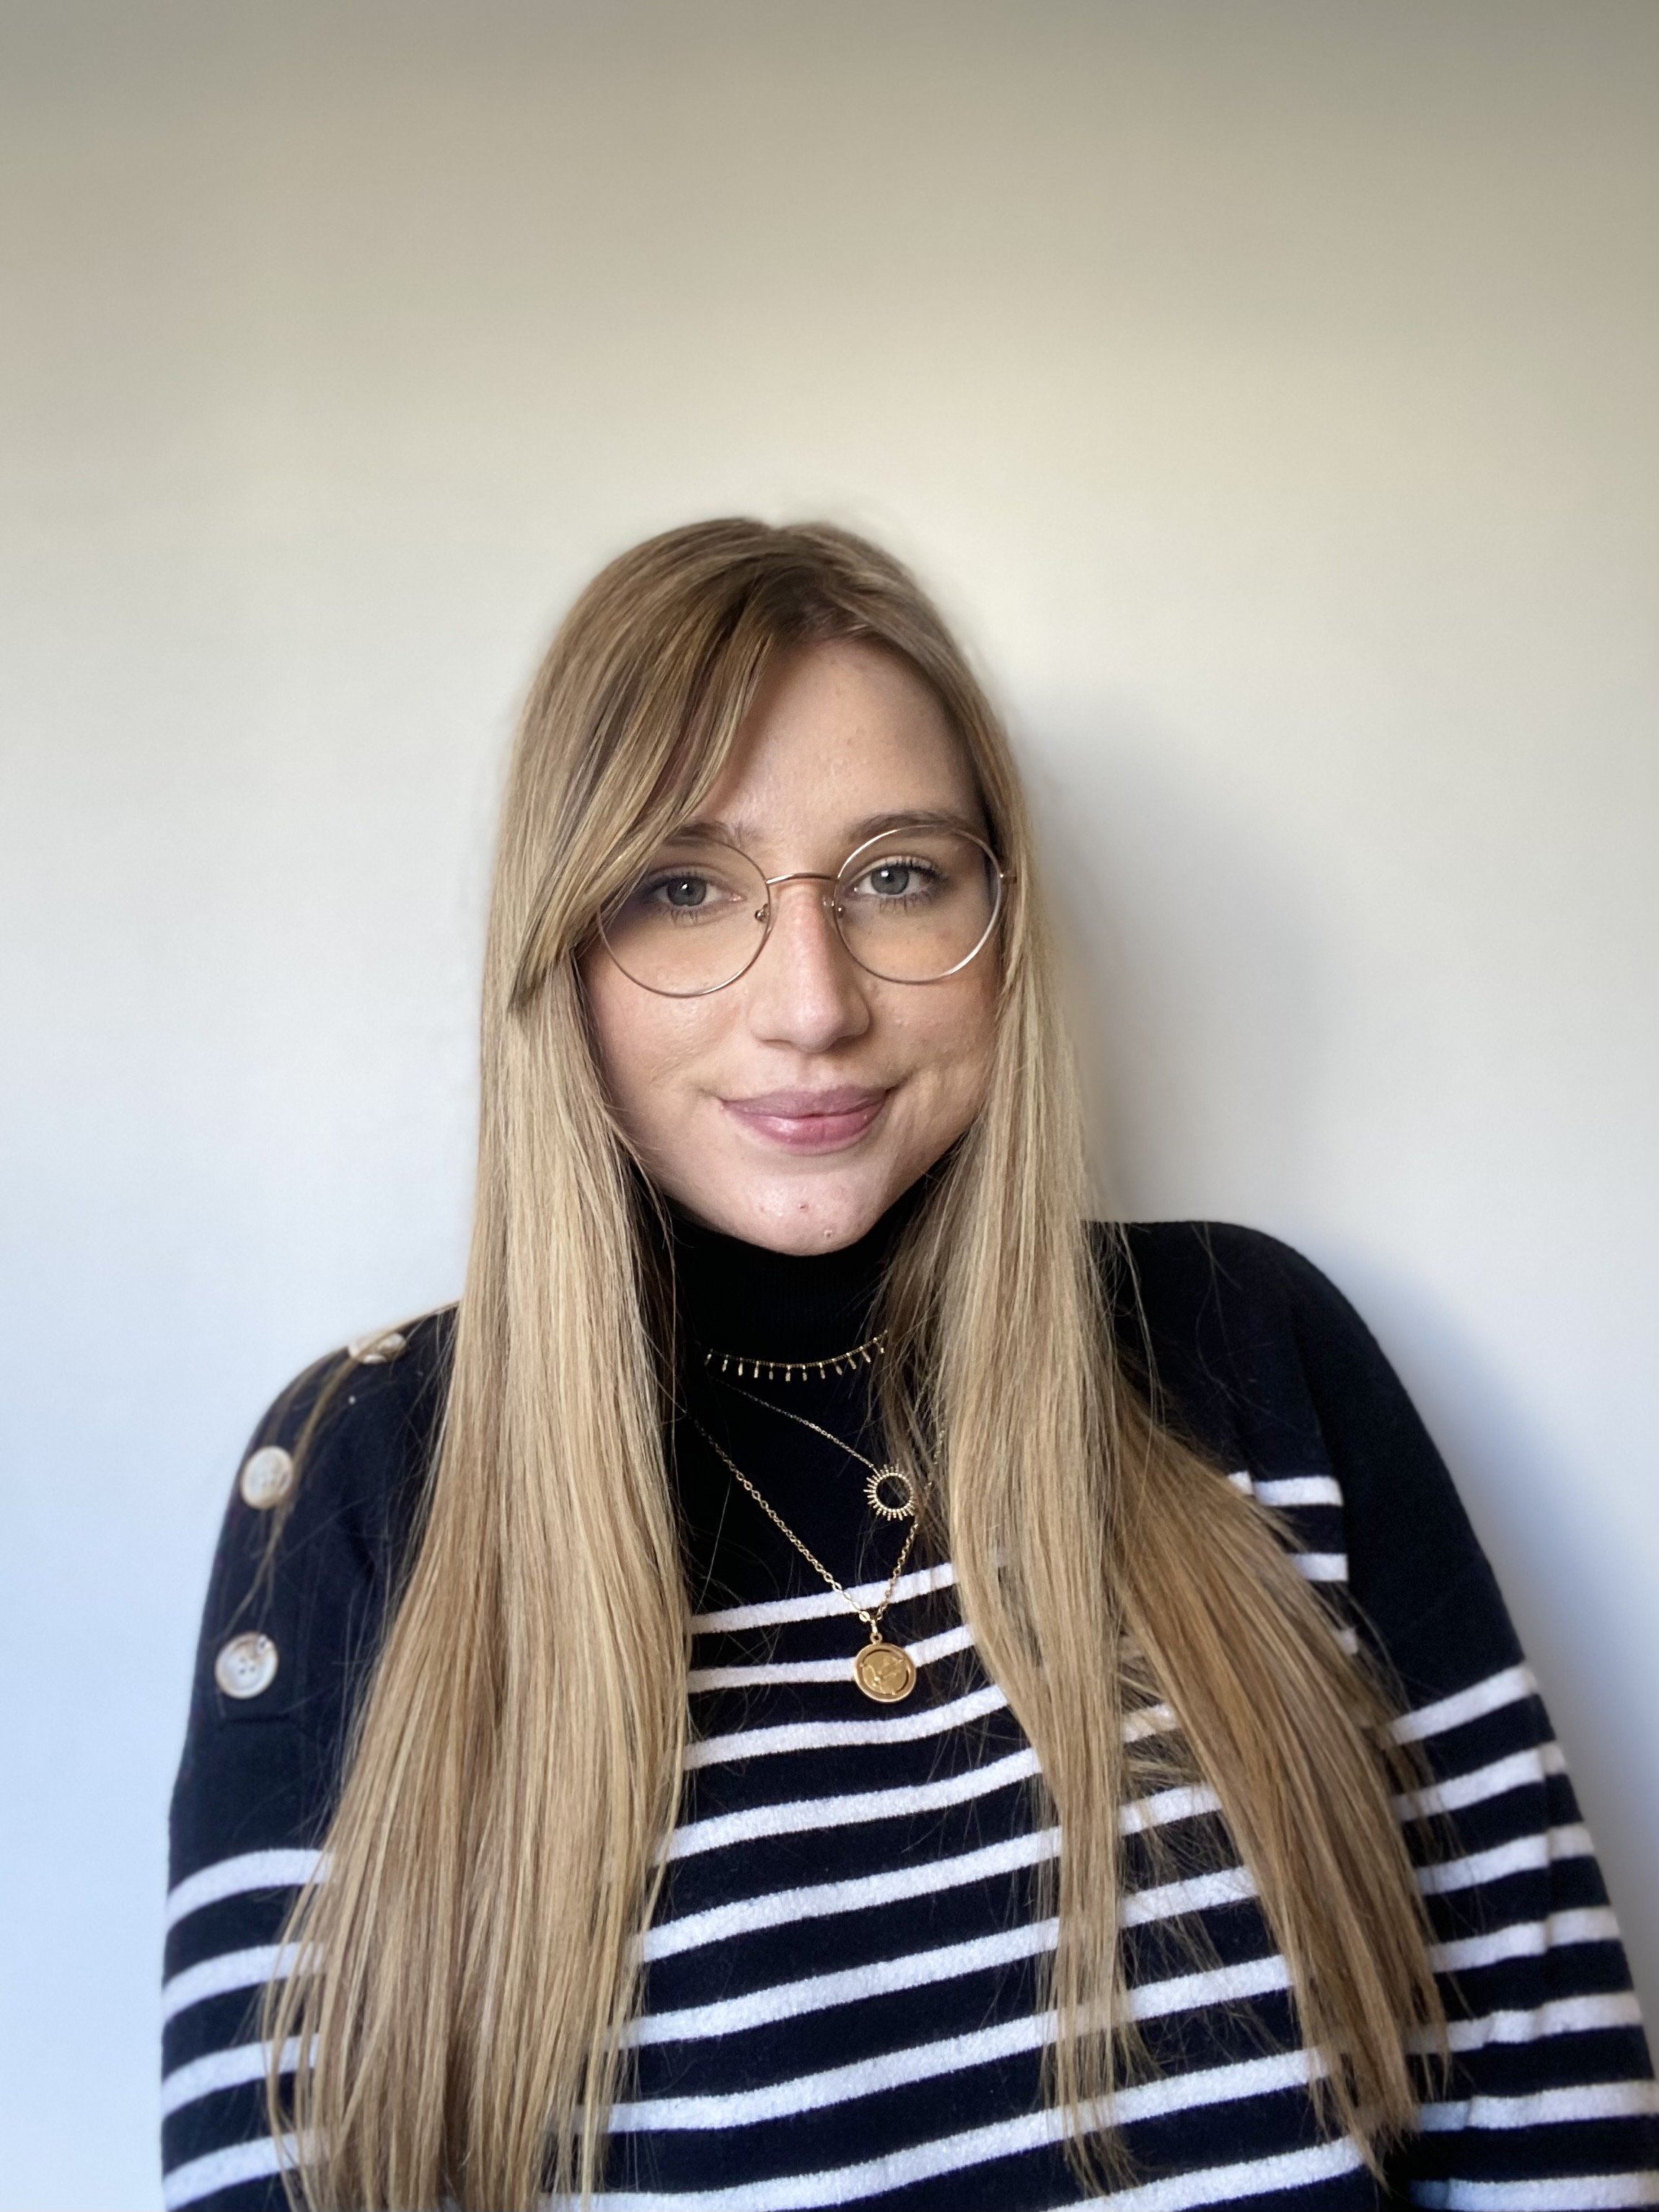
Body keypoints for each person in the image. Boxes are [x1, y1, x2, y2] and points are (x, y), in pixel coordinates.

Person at [162, 521, 1658, 2212]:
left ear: (1001, 919)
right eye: (681, 884)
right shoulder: (364, 1480)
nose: (811, 1003)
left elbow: (1556, 2128)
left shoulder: (1255, 1357)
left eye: (896, 875)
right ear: (560, 954)